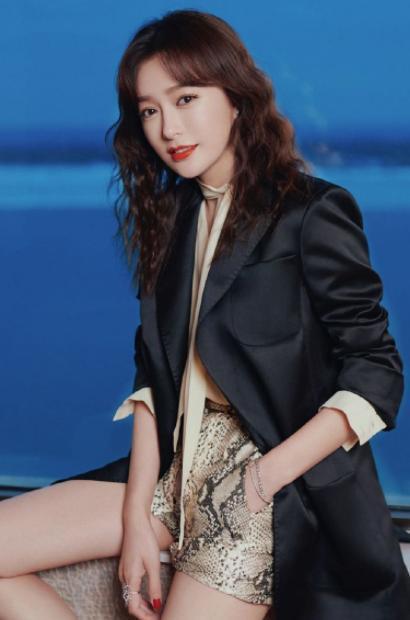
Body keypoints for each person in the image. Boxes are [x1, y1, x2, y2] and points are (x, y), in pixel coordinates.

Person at [0, 8, 409, 620]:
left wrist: (264, 479)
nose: (169, 127)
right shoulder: (172, 221)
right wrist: (136, 518)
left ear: (236, 98)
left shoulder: (311, 212)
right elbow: (152, 378)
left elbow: (376, 372)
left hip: (268, 482)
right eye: (149, 110)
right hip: (173, 468)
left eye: (186, 98)